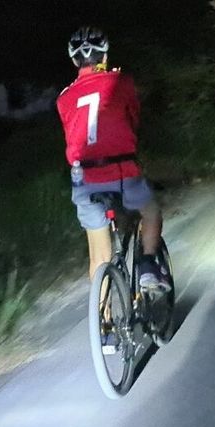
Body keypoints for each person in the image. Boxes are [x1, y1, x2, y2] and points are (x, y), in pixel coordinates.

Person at [56, 26, 171, 293]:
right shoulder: (121, 82)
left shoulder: (64, 98)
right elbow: (132, 119)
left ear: (74, 61)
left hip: (84, 177)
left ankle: (102, 315)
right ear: (105, 56)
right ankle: (148, 266)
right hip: (121, 169)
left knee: (99, 256)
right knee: (151, 211)